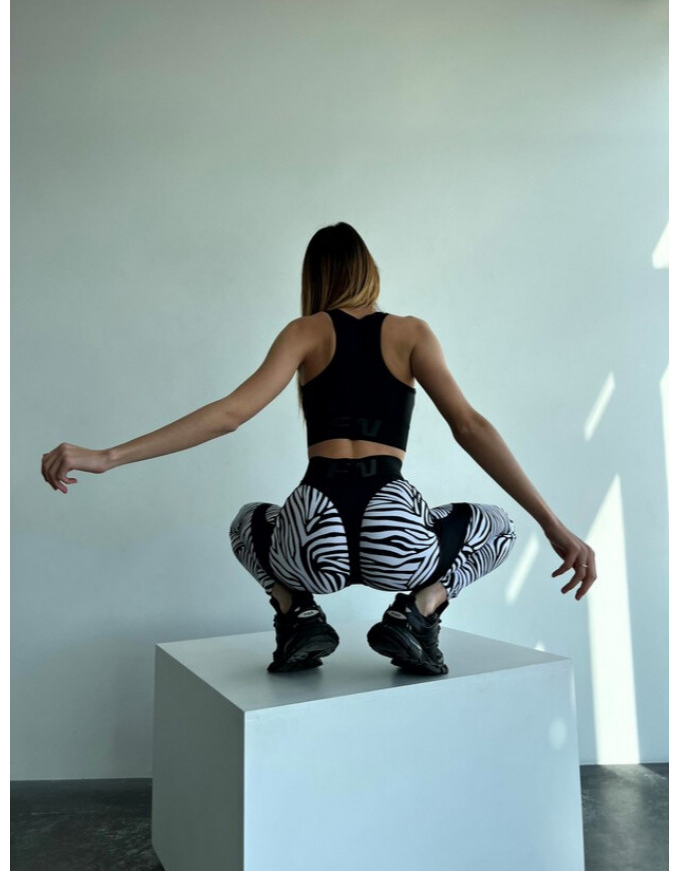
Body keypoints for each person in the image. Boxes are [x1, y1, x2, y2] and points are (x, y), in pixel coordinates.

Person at [41, 222, 597, 676]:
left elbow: (230, 414)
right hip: (393, 526)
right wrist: (553, 524)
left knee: (247, 521)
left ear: (314, 278)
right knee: (497, 524)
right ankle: (417, 612)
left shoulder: (305, 331)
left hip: (314, 528)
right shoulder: (412, 333)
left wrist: (107, 456)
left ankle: (298, 614)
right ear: (369, 271)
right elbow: (470, 426)